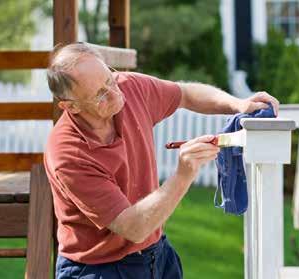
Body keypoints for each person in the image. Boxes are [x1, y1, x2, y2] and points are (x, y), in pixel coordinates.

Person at [44, 42, 280, 279]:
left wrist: (238, 104)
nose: (115, 93)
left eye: (110, 79)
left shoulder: (129, 88)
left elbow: (186, 94)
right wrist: (183, 175)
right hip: (99, 268)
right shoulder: (68, 153)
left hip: (156, 253)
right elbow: (133, 228)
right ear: (70, 106)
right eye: (100, 95)